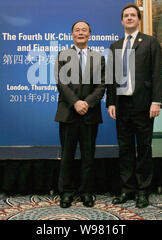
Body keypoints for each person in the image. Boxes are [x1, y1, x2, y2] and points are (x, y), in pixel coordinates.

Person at [106, 4, 162, 208]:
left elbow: (157, 74)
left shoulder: (150, 42)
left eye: (133, 15)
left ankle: (142, 191)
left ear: (138, 19)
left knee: (144, 148)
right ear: (122, 21)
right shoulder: (115, 46)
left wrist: (156, 101)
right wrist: (110, 101)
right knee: (125, 149)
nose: (129, 18)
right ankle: (127, 189)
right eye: (126, 16)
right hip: (122, 105)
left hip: (144, 105)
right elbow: (111, 78)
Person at [54, 20, 106, 208]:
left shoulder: (98, 57)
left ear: (89, 35)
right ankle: (66, 192)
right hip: (68, 112)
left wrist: (87, 103)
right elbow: (61, 82)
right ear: (72, 35)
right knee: (67, 155)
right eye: (77, 30)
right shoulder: (63, 55)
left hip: (90, 114)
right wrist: (75, 102)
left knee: (88, 156)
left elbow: (102, 85)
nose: (81, 33)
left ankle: (86, 192)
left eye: (84, 30)